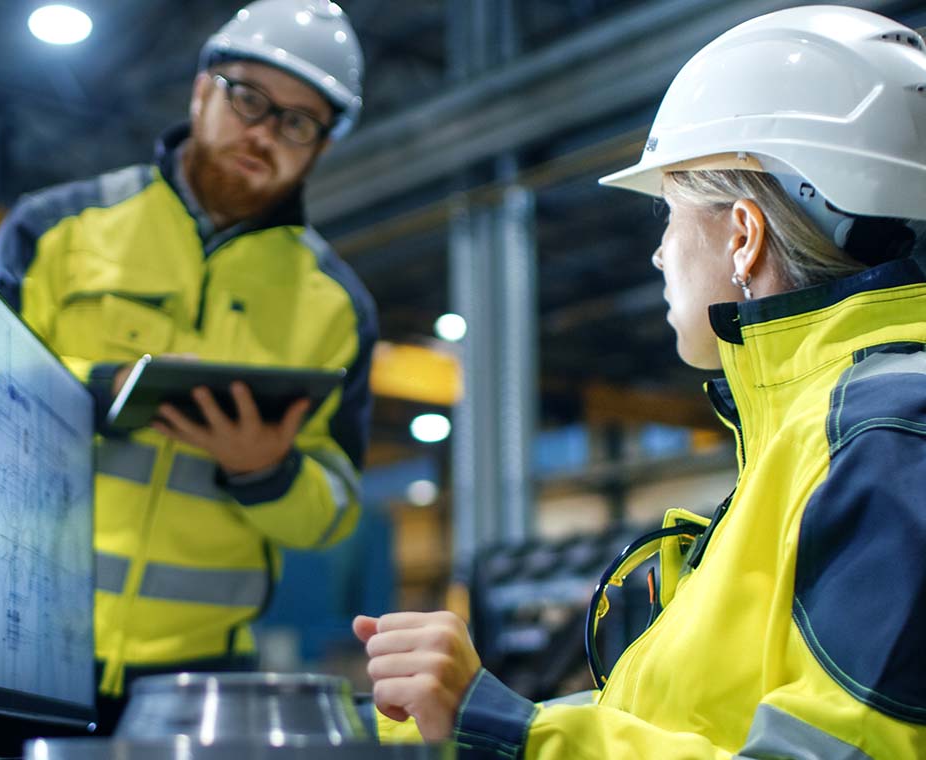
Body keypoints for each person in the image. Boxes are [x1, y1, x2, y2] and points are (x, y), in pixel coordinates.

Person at [353, 6, 926, 757]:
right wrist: (458, 716)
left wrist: (509, 731)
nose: (658, 254)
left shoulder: (886, 436)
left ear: (744, 236)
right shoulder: (818, 445)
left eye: (668, 212)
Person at [0, 0, 377, 732]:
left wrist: (269, 471)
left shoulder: (335, 307)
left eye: (297, 121)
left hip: (197, 687)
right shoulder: (55, 229)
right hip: (15, 638)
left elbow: (339, 504)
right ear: (200, 91)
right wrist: (100, 391)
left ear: (321, 145)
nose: (265, 132)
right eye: (248, 98)